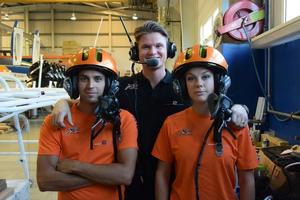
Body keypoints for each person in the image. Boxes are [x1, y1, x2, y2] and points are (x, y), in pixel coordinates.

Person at [50, 21, 249, 200]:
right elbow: (89, 100)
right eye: (146, 47)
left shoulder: (185, 87)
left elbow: (211, 105)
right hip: (131, 177)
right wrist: (63, 103)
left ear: (168, 50)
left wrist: (239, 108)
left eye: (158, 46)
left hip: (174, 176)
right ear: (136, 53)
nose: (152, 51)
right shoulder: (122, 87)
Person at [152, 44, 258, 200]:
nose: (198, 83)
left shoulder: (236, 125)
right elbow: (162, 174)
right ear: (181, 85)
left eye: (206, 76)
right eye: (191, 78)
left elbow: (247, 179)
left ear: (219, 82)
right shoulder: (171, 124)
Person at [37, 48, 138, 200]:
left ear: (109, 84)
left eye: (98, 79)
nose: (91, 85)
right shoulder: (56, 121)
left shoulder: (123, 120)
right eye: (84, 78)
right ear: (74, 83)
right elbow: (45, 180)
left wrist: (75, 167)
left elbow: (125, 175)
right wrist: (106, 176)